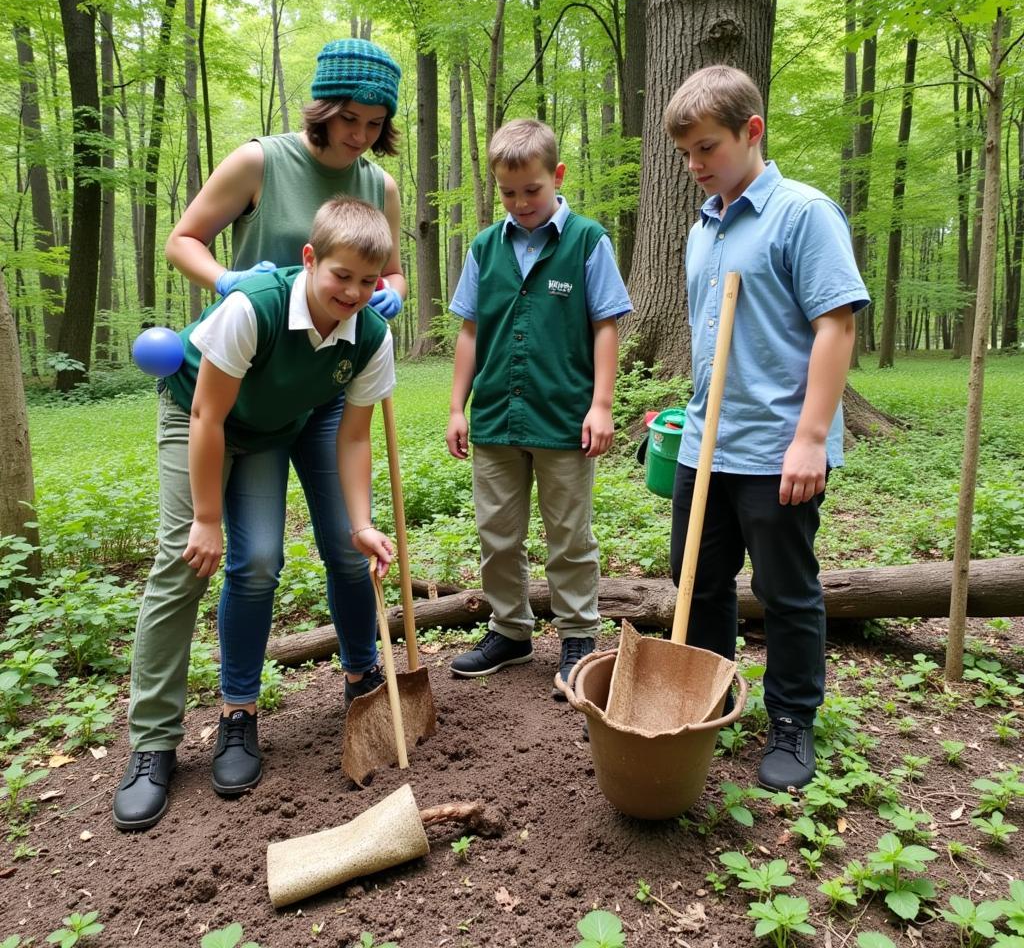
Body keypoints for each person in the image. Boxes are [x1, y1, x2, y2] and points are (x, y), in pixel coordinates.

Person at [114, 197, 396, 832]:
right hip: (198, 414)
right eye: (339, 275)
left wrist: (360, 522)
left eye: (367, 281)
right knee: (184, 562)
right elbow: (207, 417)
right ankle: (155, 742)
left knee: (263, 560)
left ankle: (244, 714)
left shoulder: (371, 336)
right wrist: (206, 518)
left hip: (269, 427)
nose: (352, 291)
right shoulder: (254, 307)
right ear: (309, 259)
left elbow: (353, 438)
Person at [161, 40, 403, 752]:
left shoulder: (378, 185)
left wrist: (385, 300)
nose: (359, 134)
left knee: (348, 544)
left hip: (327, 383)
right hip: (256, 370)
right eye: (349, 118)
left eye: (374, 122)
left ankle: (365, 678)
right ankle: (238, 712)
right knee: (257, 558)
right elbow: (184, 239)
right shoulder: (259, 161)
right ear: (323, 108)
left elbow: (389, 275)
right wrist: (226, 282)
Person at [663, 64, 870, 791]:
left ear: (753, 132)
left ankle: (791, 718)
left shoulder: (803, 213)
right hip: (704, 445)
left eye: (707, 148)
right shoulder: (704, 225)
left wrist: (811, 436)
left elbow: (835, 325)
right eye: (685, 153)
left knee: (785, 590)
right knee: (701, 582)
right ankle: (711, 694)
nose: (694, 166)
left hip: (777, 448)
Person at [445, 118, 632, 696]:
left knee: (569, 535)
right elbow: (471, 332)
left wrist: (602, 405)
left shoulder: (586, 240)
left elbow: (606, 326)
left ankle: (577, 634)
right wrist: (458, 407)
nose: (522, 202)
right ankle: (510, 629)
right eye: (508, 192)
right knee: (496, 532)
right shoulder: (484, 247)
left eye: (532, 189)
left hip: (563, 419)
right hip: (497, 416)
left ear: (557, 176)